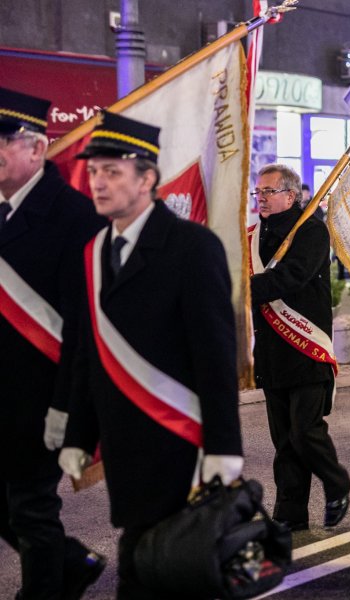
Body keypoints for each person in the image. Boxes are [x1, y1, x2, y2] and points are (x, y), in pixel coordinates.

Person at [59, 112, 244, 599]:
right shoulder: (95, 251)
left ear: (148, 179)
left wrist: (224, 446)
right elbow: (87, 354)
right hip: (126, 450)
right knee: (150, 567)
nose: (98, 183)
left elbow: (215, 355)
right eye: (94, 171)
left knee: (167, 571)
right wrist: (79, 434)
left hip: (181, 445)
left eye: (112, 172)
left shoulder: (191, 247)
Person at [0, 87, 107, 600]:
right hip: (3, 396)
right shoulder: (2, 212)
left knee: (31, 509)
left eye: (3, 142)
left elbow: (87, 327)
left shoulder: (75, 218)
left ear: (37, 149)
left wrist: (70, 408)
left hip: (42, 399)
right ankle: (74, 562)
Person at [249, 163, 350, 532]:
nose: (260, 198)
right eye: (257, 192)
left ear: (290, 195)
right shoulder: (253, 234)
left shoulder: (310, 230)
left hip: (307, 347)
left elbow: (290, 278)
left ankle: (337, 482)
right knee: (284, 441)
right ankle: (290, 514)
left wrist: (241, 288)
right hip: (272, 351)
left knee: (305, 431)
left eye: (268, 192)